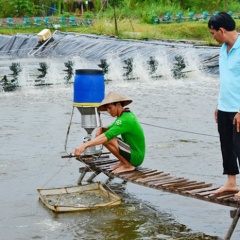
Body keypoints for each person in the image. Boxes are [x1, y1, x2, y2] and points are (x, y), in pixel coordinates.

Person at [208, 12, 240, 197]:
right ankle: (231, 183)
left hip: (238, 108)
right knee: (226, 146)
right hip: (224, 106)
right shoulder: (223, 49)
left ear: (221, 30)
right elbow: (226, 79)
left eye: (213, 33)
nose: (213, 37)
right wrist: (218, 103)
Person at [74, 91, 146, 174]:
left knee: (106, 138)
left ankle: (128, 165)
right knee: (104, 134)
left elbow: (107, 135)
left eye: (110, 108)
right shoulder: (125, 115)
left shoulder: (125, 120)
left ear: (118, 105)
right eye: (107, 109)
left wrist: (85, 145)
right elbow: (110, 128)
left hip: (136, 157)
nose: (108, 111)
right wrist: (100, 128)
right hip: (133, 153)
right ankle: (123, 162)